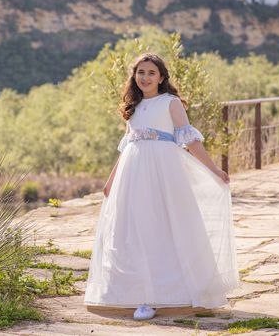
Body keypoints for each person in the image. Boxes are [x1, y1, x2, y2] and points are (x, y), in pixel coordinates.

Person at [84, 53, 239, 320]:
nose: (145, 77)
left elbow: (190, 140)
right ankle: (135, 293)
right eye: (140, 72)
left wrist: (214, 170)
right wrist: (111, 180)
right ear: (134, 76)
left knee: (164, 226)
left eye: (151, 73)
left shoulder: (171, 103)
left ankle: (159, 296)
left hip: (163, 173)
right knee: (133, 229)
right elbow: (127, 146)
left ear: (162, 77)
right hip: (132, 174)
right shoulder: (132, 107)